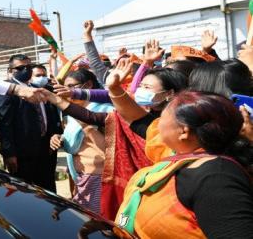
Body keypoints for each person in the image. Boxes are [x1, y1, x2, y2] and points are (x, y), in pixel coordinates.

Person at [115, 91, 253, 238]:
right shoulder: (180, 154)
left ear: (183, 131)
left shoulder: (216, 178)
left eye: (160, 118)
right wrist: (114, 90)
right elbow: (138, 119)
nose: (156, 124)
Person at [0, 54, 63, 192]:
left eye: (29, 66)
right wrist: (9, 153)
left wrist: (55, 135)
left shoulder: (39, 89)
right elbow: (4, 123)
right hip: (23, 153)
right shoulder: (5, 90)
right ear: (11, 70)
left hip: (46, 149)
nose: (26, 70)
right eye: (21, 68)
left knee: (47, 189)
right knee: (25, 191)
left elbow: (51, 116)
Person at [49, 68, 113, 213]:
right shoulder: (74, 112)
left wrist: (85, 123)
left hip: (99, 176)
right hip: (80, 175)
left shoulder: (105, 110)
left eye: (71, 86)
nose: (67, 90)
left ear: (88, 85)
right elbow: (76, 139)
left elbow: (109, 147)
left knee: (99, 220)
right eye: (65, 87)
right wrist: (58, 138)